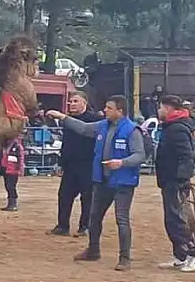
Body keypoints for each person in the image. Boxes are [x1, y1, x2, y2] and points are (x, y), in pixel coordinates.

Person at [46, 95, 146, 272]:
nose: (105, 110)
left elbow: (140, 155)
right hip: (102, 180)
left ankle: (124, 258)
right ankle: (93, 250)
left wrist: (122, 163)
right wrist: (63, 117)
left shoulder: (132, 130)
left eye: (109, 108)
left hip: (123, 182)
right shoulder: (102, 126)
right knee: (94, 217)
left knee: (121, 220)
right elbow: (83, 128)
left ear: (120, 111)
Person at [155, 95, 195, 272]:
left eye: (160, 107)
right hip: (169, 180)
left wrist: (181, 179)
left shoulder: (176, 128)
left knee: (178, 220)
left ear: (168, 108)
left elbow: (187, 156)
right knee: (172, 219)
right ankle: (181, 256)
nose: (158, 111)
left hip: (175, 181)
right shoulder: (173, 127)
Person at [48, 92, 99, 236]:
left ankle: (85, 227)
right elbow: (66, 144)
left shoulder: (94, 119)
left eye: (76, 101)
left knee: (87, 197)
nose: (72, 104)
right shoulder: (68, 121)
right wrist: (61, 164)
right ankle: (63, 226)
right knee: (64, 195)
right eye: (70, 102)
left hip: (88, 165)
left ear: (85, 103)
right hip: (71, 165)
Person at [0, 134, 24, 211]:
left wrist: (20, 170)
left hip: (13, 169)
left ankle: (13, 204)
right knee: (8, 186)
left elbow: (21, 158)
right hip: (7, 168)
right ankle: (11, 203)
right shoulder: (6, 146)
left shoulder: (17, 146)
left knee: (11, 186)